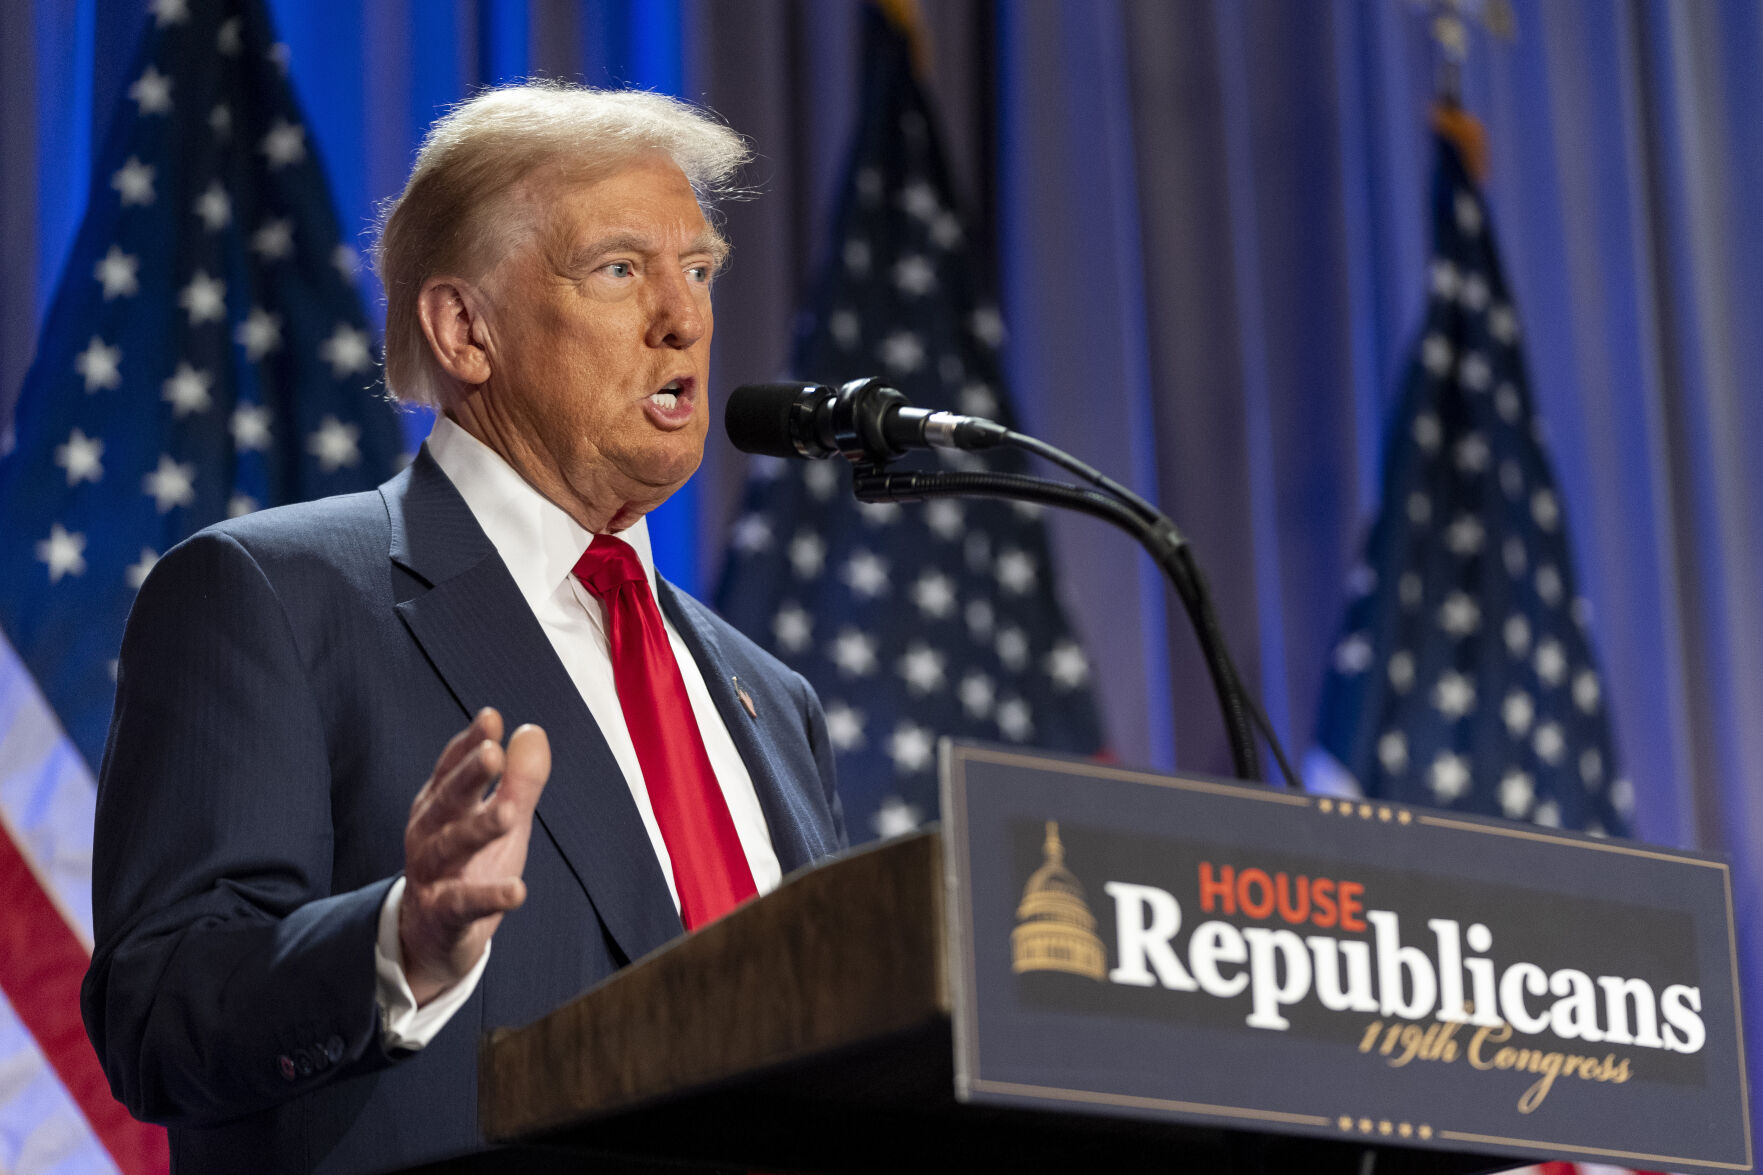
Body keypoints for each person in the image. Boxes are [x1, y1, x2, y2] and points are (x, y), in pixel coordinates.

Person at [80, 83, 846, 1174]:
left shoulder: (768, 695)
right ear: (464, 328)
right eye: (621, 269)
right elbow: (159, 1010)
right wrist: (402, 939)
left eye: (700, 267)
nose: (683, 317)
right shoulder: (268, 595)